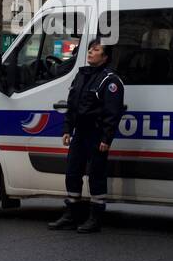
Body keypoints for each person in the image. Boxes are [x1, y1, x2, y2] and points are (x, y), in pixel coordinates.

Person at [49, 39, 125, 234]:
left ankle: (95, 217)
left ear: (105, 57)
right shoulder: (81, 76)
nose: (90, 51)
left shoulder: (110, 81)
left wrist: (106, 139)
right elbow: (72, 106)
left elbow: (112, 113)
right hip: (80, 133)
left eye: (96, 49)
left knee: (96, 175)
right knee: (72, 172)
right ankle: (71, 215)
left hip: (97, 134)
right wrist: (67, 129)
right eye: (90, 48)